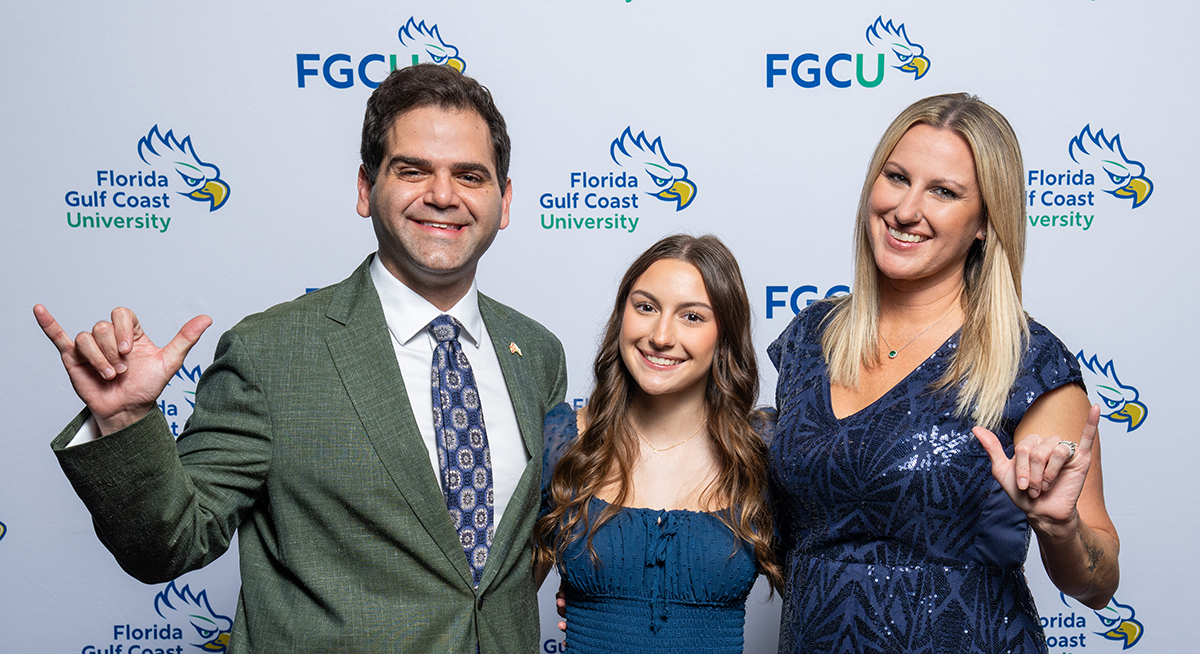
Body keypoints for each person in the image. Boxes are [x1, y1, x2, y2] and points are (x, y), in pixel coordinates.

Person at [34, 64, 567, 654]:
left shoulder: (536, 354)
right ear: (366, 189)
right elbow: (168, 545)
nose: (443, 195)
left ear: (504, 199)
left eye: (469, 175)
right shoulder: (272, 354)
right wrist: (126, 421)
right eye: (412, 170)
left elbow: (513, 555)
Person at [768, 93, 1119, 653]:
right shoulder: (813, 338)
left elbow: (1098, 585)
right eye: (897, 177)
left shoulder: (1028, 362)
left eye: (943, 192)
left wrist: (1059, 529)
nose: (907, 210)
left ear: (985, 222)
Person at [533, 234, 781, 654]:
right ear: (622, 315)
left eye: (693, 317)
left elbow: (825, 593)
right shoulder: (564, 442)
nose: (661, 336)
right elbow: (498, 603)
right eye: (646, 308)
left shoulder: (763, 450)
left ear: (725, 334)